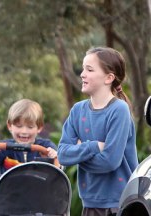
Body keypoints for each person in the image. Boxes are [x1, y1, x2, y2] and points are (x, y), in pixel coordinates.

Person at [57, 47, 139, 216]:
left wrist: (78, 156)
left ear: (109, 78)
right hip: (90, 203)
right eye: (83, 68)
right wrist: (94, 146)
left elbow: (110, 161)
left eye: (89, 69)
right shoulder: (77, 110)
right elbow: (63, 155)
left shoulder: (119, 110)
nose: (82, 74)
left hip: (120, 204)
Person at [0, 98, 58, 216]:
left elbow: (57, 160)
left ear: (39, 128)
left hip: (38, 203)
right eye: (19, 126)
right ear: (10, 126)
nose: (24, 131)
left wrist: (52, 155)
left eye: (30, 127)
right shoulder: (5, 147)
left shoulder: (44, 147)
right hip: (9, 203)